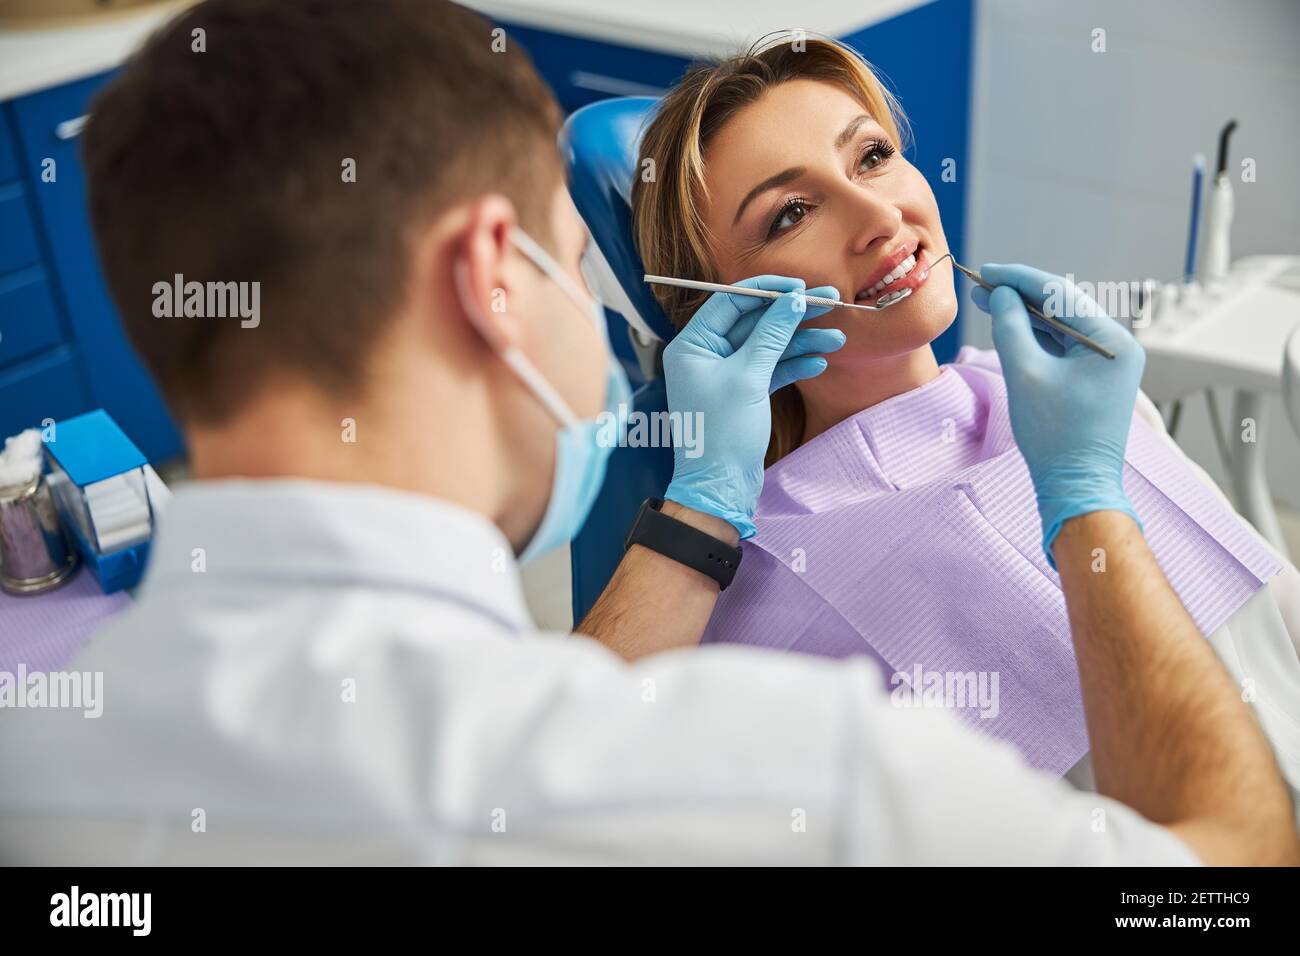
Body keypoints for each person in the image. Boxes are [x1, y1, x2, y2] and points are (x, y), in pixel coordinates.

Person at [0, 0, 1295, 866]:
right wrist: (1087, 507)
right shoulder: (802, 766)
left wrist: (696, 509)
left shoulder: (40, 707)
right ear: (490, 277)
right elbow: (1227, 865)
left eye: (877, 156)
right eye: (577, 258)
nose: (881, 213)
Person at [628, 36, 1300, 785]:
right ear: (725, 313)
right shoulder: (774, 594)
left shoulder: (1069, 402)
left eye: (873, 156)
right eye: (791, 213)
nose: (878, 215)